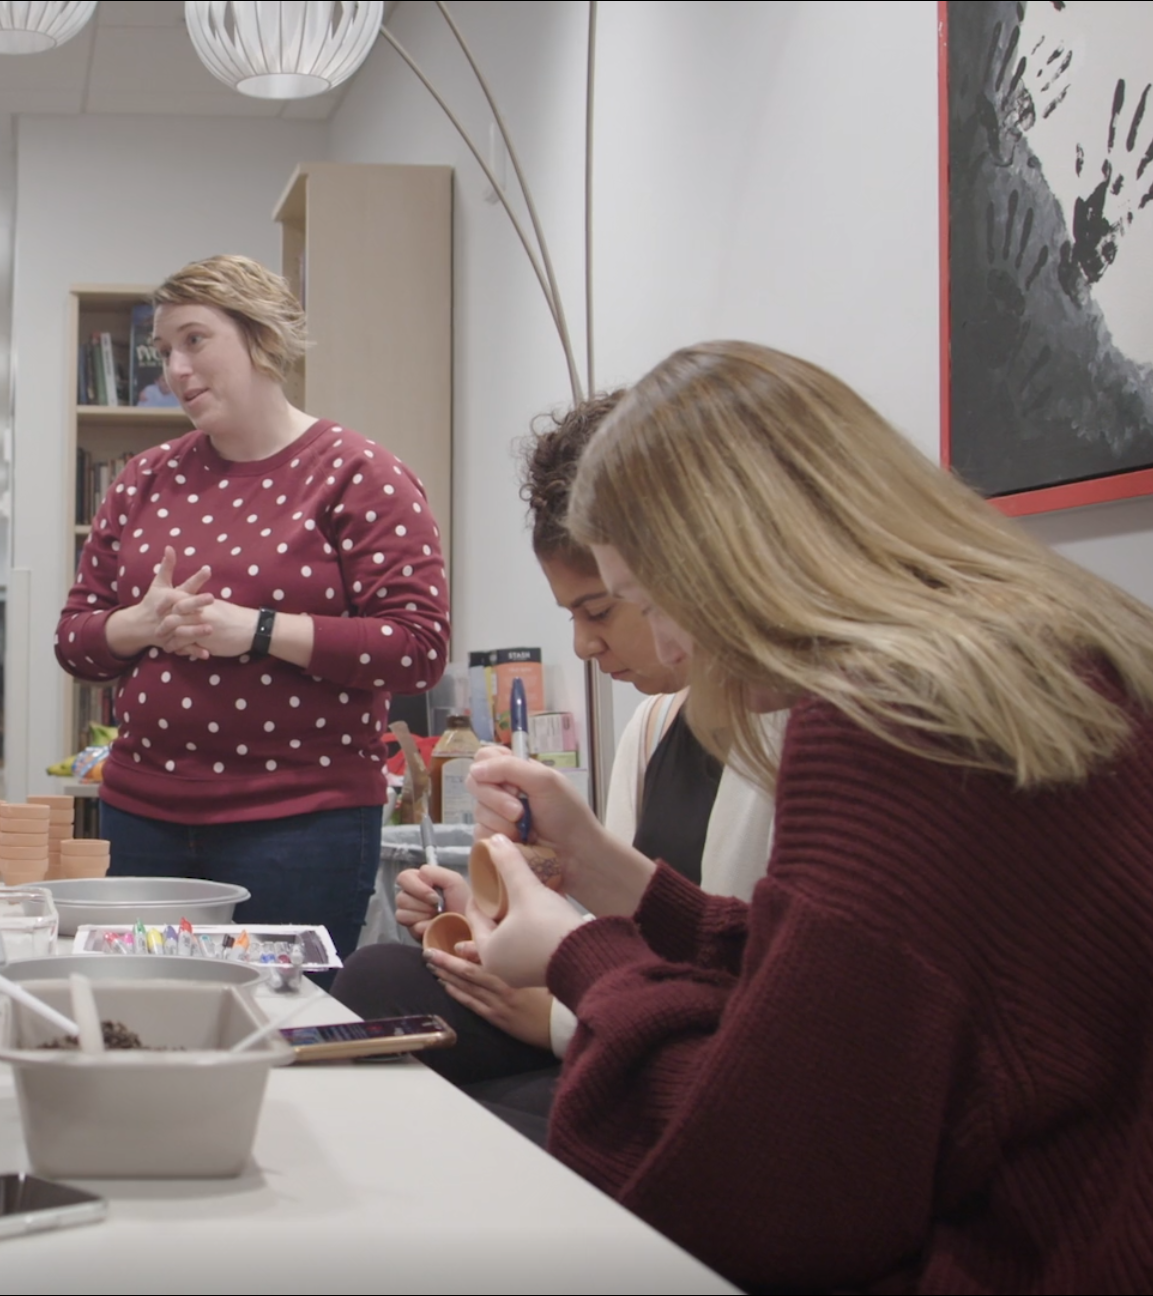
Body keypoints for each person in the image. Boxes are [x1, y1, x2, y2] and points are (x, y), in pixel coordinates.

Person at [467, 341, 1153, 1289]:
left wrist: (575, 953)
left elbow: (759, 1192)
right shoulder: (1060, 657)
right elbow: (859, 975)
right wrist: (601, 879)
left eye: (640, 601)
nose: (664, 641)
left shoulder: (887, 722)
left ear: (730, 554)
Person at [331, 393, 777, 1139]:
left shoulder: (824, 736)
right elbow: (671, 934)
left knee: (439, 1124)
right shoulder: (656, 725)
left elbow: (758, 1007)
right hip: (639, 1014)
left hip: (704, 1063)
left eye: (604, 609)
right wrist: (496, 911)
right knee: (380, 978)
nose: (581, 649)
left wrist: (557, 1003)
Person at [54, 255, 451, 960]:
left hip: (301, 826)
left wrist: (258, 631)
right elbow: (75, 641)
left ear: (261, 337)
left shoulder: (359, 475)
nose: (174, 368)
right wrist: (137, 626)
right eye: (163, 350)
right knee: (138, 1019)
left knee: (282, 1031)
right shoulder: (144, 478)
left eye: (195, 340)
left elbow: (415, 647)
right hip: (141, 813)